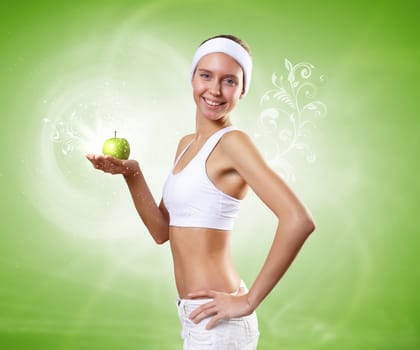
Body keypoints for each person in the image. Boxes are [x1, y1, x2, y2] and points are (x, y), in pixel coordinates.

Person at [86, 34, 315, 350]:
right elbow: (161, 230)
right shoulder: (186, 145)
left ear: (243, 89)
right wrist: (132, 173)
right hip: (195, 318)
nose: (215, 90)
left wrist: (248, 301)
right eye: (206, 75)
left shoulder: (234, 143)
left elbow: (298, 220)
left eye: (230, 81)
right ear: (192, 77)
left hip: (221, 324)